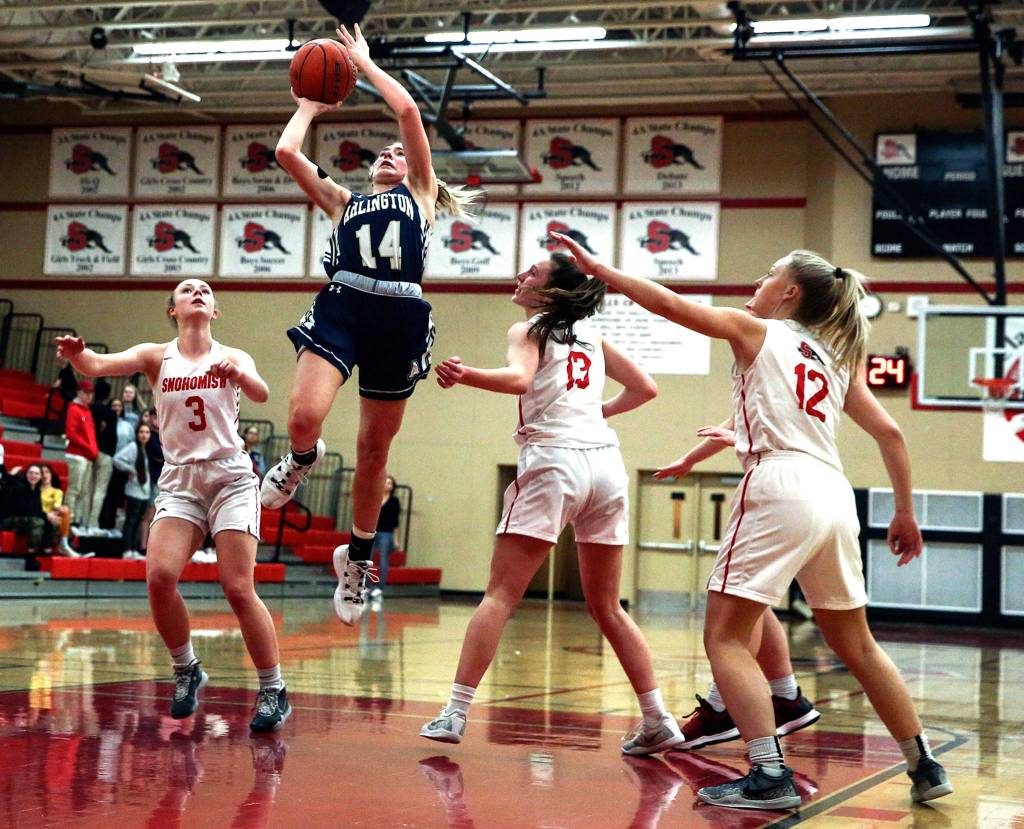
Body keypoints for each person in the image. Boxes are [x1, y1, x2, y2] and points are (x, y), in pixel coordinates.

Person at [551, 235, 952, 809]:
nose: (757, 284)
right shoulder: (832, 359)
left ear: (789, 292)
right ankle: (924, 764)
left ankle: (769, 775)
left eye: (767, 274)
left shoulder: (758, 331)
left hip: (779, 486)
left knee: (725, 635)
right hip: (834, 495)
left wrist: (599, 270)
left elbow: (668, 305)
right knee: (859, 645)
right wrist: (906, 512)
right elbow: (891, 433)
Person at [419, 253, 684, 755]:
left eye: (533, 273)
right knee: (607, 606)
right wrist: (590, 413)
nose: (521, 276)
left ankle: (455, 713)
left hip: (554, 460)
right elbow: (645, 388)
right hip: (606, 462)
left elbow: (519, 381)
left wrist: (466, 375)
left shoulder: (530, 331)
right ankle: (658, 718)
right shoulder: (594, 337)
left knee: (499, 595)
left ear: (551, 292)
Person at [263, 22, 476, 626]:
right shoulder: (342, 201)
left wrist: (363, 61)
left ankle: (355, 558)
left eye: (398, 151)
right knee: (305, 416)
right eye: (383, 152)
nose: (390, 152)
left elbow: (407, 109)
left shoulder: (422, 193)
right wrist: (307, 106)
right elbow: (285, 154)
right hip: (344, 303)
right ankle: (302, 459)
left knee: (373, 449)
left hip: (400, 316)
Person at [54, 278, 291, 732]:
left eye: (205, 289)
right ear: (173, 310)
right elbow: (97, 364)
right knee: (159, 577)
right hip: (181, 480)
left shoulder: (233, 355)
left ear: (215, 311)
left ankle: (272, 688)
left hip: (230, 477)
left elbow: (261, 393)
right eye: (187, 290)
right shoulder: (155, 356)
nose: (197, 292)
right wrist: (77, 354)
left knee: (237, 587)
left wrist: (239, 375)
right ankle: (186, 668)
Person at [654, 419, 821, 750]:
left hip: (777, 490)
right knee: (751, 600)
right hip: (818, 492)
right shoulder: (799, 378)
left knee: (731, 613)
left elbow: (747, 428)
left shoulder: (769, 372)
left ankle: (723, 711)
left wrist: (740, 439)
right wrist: (691, 459)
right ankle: (787, 698)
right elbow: (738, 419)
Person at [114, 422, 153, 559]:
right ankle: (127, 550)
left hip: (143, 492)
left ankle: (133, 549)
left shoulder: (144, 449)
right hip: (133, 490)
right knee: (130, 521)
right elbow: (117, 459)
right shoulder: (133, 447)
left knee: (137, 521)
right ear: (137, 434)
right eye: (141, 432)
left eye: (147, 432)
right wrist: (130, 470)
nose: (144, 435)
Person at [85, 379, 117, 533]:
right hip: (105, 453)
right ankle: (92, 523)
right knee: (100, 490)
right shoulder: (111, 413)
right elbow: (113, 437)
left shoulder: (88, 409)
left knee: (88, 488)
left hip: (89, 451)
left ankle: (84, 522)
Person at [64, 379, 97, 527]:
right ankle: (68, 520)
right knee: (74, 489)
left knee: (82, 491)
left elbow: (90, 435)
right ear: (79, 392)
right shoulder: (74, 409)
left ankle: (75, 520)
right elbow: (71, 433)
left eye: (91, 393)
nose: (89, 396)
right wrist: (90, 448)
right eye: (86, 393)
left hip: (86, 455)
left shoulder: (86, 410)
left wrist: (92, 450)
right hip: (77, 454)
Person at [98, 397, 134, 531]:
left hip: (121, 465)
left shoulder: (127, 425)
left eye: (119, 406)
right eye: (114, 405)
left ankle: (111, 524)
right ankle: (100, 522)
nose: (117, 408)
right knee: (103, 493)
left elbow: (131, 445)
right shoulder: (104, 423)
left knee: (115, 495)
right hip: (106, 460)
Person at [370, 475, 400, 601]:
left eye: (390, 483)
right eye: (386, 482)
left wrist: (396, 540)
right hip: (372, 532)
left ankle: (380, 588)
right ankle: (366, 586)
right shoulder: (375, 498)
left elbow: (395, 522)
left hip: (387, 533)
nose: (388, 485)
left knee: (383, 560)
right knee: (368, 560)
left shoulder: (394, 501)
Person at [40, 463, 78, 557]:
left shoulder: (57, 492)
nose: (44, 475)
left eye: (47, 472)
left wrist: (59, 509)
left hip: (53, 515)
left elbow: (57, 505)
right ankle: (65, 544)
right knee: (64, 523)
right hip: (41, 514)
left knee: (65, 512)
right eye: (42, 473)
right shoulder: (35, 489)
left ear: (51, 474)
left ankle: (64, 544)